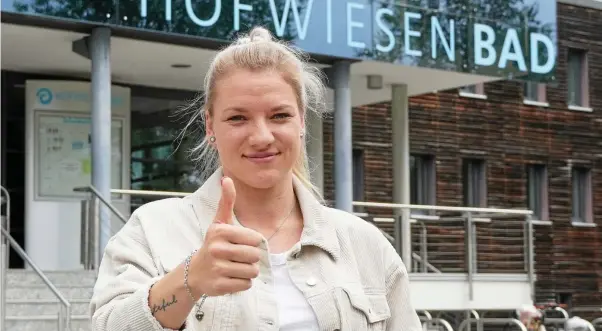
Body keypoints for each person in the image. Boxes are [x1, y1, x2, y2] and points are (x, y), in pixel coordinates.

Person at [89, 26, 422, 331]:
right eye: (238, 118)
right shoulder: (151, 230)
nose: (262, 136)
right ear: (210, 126)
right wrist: (189, 280)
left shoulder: (364, 244)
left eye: (279, 115)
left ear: (302, 121)